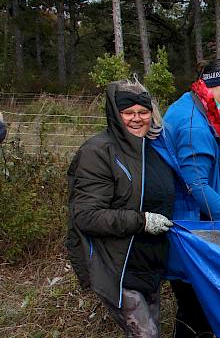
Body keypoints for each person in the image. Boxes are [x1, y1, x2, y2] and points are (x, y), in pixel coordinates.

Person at [65, 80, 175, 338]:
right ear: (116, 115)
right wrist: (142, 221)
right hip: (119, 264)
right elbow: (86, 216)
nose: (137, 119)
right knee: (145, 334)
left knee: (152, 330)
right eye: (128, 113)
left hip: (150, 263)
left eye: (143, 112)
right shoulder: (99, 152)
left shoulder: (153, 150)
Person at [152, 58, 220, 338]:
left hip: (196, 221)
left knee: (199, 306)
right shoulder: (193, 123)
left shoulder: (200, 106)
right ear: (210, 84)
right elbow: (197, 186)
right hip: (190, 227)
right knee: (196, 309)